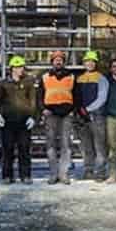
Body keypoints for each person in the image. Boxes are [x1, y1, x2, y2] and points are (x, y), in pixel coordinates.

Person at [0, 55, 38, 184]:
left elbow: (33, 101)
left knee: (24, 149)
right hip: (8, 121)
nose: (20, 69)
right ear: (12, 68)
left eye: (22, 67)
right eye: (18, 67)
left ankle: (26, 175)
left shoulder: (29, 82)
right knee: (7, 149)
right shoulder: (3, 84)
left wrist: (33, 117)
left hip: (24, 121)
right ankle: (7, 175)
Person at [38, 50, 80, 185]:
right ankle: (53, 173)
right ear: (52, 62)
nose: (58, 61)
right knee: (50, 144)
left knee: (66, 144)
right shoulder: (45, 77)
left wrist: (73, 110)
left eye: (60, 59)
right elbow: (39, 95)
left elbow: (77, 96)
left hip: (67, 114)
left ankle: (63, 174)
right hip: (50, 114)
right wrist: (43, 109)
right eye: (56, 59)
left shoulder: (71, 77)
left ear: (63, 62)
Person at [76, 50, 109, 181]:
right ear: (84, 63)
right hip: (82, 117)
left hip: (97, 116)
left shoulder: (101, 78)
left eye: (92, 61)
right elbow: (76, 97)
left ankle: (100, 173)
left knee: (99, 146)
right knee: (86, 146)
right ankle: (88, 170)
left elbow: (102, 98)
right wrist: (79, 110)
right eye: (87, 61)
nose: (89, 63)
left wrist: (88, 109)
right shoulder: (79, 78)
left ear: (95, 63)